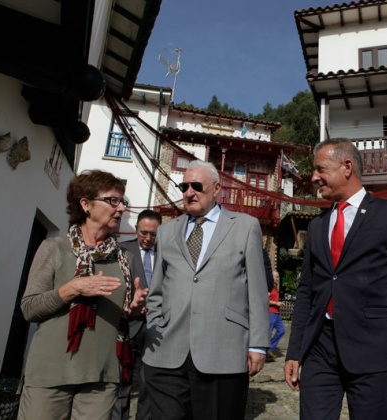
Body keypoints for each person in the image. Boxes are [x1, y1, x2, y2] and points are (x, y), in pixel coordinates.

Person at [284, 138, 387, 419]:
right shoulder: (316, 227)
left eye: (321, 169)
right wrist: (295, 351)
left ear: (347, 167)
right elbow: (306, 292)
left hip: (372, 350)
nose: (314, 177)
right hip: (320, 349)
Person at [141, 160, 270, 420]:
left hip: (222, 351)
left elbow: (257, 290)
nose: (189, 192)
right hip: (167, 353)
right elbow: (156, 290)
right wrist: (155, 324)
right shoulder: (166, 232)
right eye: (184, 186)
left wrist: (258, 344)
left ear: (216, 189)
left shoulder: (245, 226)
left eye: (197, 186)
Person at [18, 170, 148, 420]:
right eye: (113, 200)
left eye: (123, 202)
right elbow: (30, 309)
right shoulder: (54, 248)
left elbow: (123, 316)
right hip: (50, 374)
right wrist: (72, 288)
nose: (121, 208)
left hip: (102, 376)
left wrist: (133, 310)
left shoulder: (125, 259)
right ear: (86, 204)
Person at [113, 210, 162, 420]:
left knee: (151, 382)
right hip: (128, 323)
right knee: (121, 380)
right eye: (144, 233)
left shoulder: (168, 253)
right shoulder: (121, 251)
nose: (148, 238)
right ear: (136, 230)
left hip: (157, 328)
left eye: (153, 234)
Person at [267, 270, 286, 362]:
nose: (278, 279)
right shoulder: (268, 287)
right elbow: (265, 300)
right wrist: (276, 303)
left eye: (278, 277)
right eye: (276, 277)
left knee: (282, 330)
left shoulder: (274, 287)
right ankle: (265, 353)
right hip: (270, 313)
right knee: (268, 333)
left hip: (277, 313)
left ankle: (269, 349)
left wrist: (279, 304)